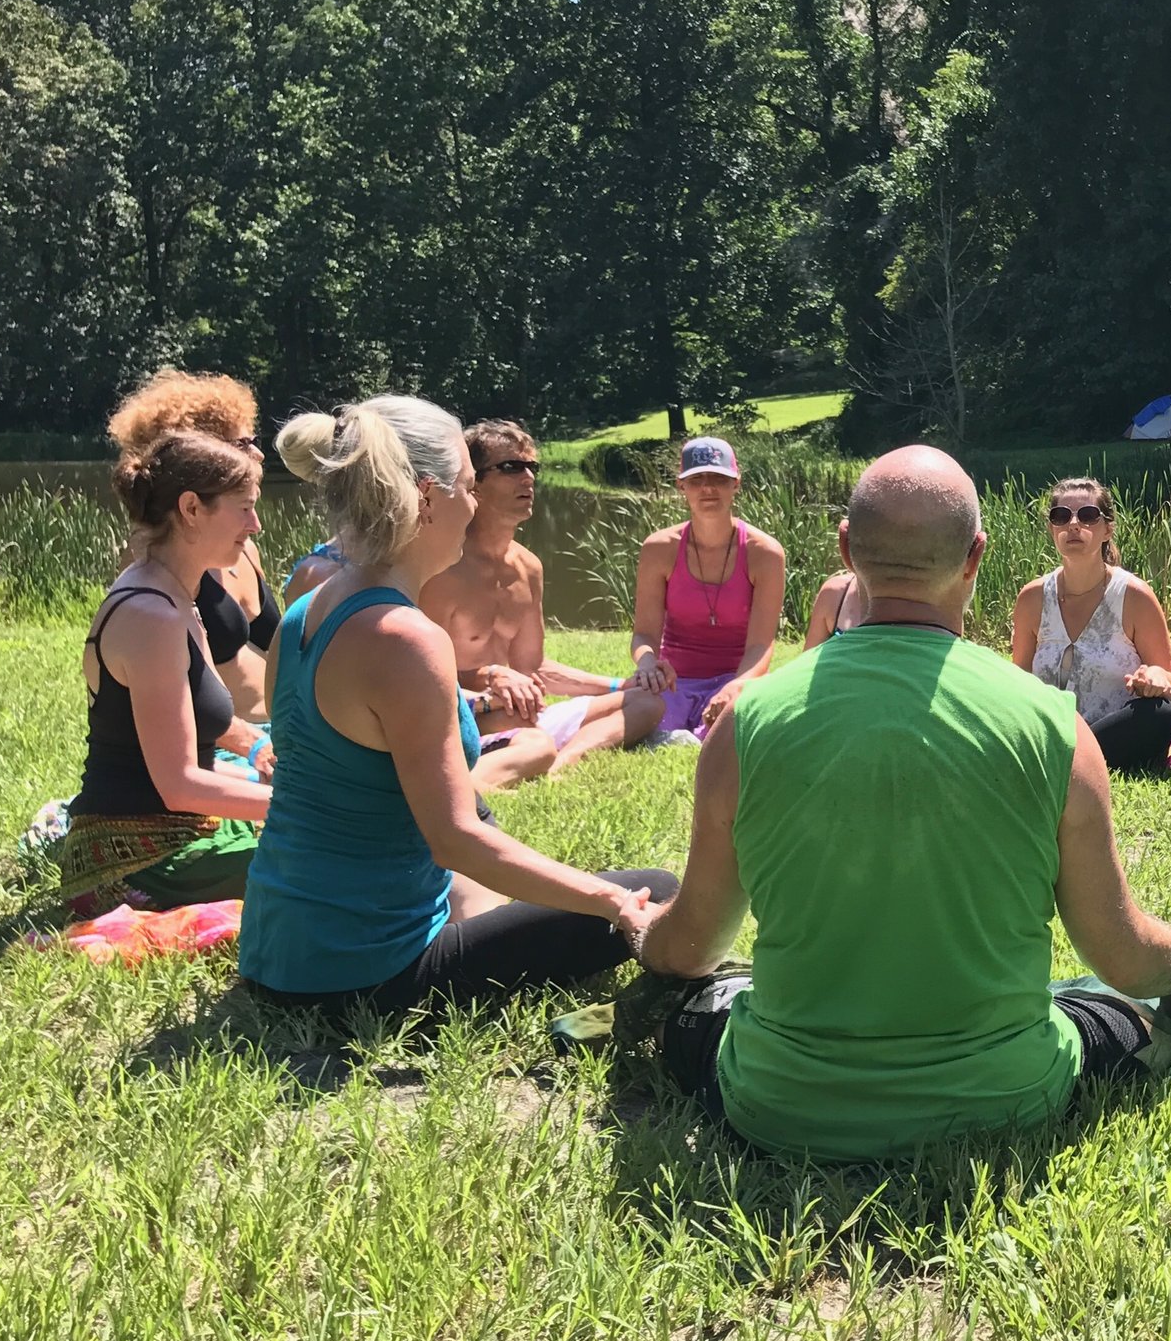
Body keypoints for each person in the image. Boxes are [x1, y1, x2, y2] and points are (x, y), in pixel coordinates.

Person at [640, 445, 1171, 1160]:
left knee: (685, 1007)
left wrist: (639, 923)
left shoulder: (747, 723)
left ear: (846, 549)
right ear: (975, 557)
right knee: (1120, 1008)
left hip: (780, 1103)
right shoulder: (1058, 727)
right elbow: (1123, 955)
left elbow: (692, 949)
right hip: (1011, 1098)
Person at [241, 397, 675, 1012]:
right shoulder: (406, 638)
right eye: (469, 488)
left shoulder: (303, 611)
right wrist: (611, 905)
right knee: (655, 887)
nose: (473, 506)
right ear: (426, 496)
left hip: (275, 951)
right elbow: (455, 840)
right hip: (363, 976)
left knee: (486, 852)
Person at [54, 430, 272, 915]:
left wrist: (257, 745)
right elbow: (179, 786)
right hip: (141, 859)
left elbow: (191, 714)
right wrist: (304, 806)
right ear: (192, 509)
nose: (255, 524)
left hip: (182, 831)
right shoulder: (152, 616)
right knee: (340, 854)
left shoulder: (170, 592)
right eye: (244, 507)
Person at [419, 420, 664, 780]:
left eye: (532, 467)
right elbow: (421, 669)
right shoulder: (441, 567)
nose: (528, 478)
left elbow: (532, 669)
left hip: (522, 710)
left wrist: (620, 685)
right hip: (464, 711)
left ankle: (564, 761)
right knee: (525, 724)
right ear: (475, 484)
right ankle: (515, 761)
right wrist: (489, 676)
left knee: (648, 703)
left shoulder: (528, 567)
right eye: (511, 467)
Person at [106, 370, 282, 723]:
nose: (259, 454)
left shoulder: (243, 547)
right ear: (200, 456)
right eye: (243, 444)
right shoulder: (155, 556)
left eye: (255, 439)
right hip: (225, 747)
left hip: (281, 734)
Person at [1008, 478, 1171, 777]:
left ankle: (1068, 765)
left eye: (1088, 516)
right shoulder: (1032, 597)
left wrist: (1154, 675)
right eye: (1061, 516)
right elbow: (1020, 682)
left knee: (1160, 714)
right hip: (1051, 731)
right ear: (1052, 529)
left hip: (1114, 729)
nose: (1074, 524)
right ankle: (1066, 761)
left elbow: (1168, 674)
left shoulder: (1134, 595)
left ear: (1107, 529)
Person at [628, 438, 788, 743]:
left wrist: (737, 685)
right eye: (697, 479)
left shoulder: (765, 553)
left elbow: (761, 646)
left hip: (737, 677)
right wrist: (647, 663)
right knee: (640, 719)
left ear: (736, 484)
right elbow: (644, 635)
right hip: (674, 681)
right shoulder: (658, 549)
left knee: (735, 725)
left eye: (718, 478)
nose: (708, 488)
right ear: (681, 486)